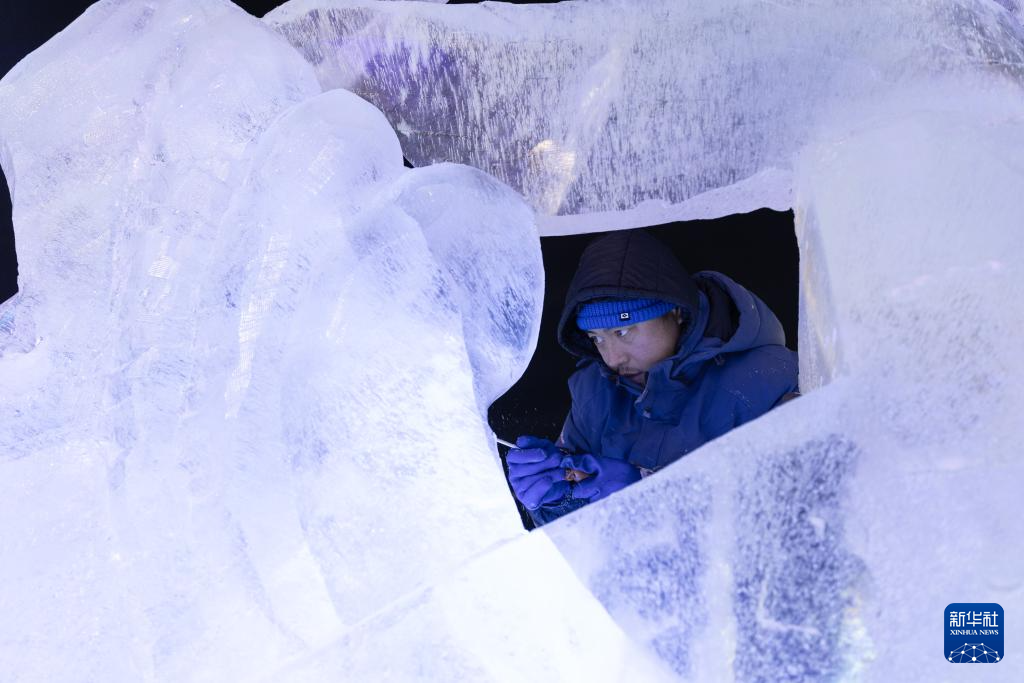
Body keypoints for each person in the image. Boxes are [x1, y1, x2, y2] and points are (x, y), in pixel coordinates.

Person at [507, 229, 798, 526]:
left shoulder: (768, 381)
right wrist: (556, 499)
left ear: (676, 311)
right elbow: (578, 536)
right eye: (597, 339)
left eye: (622, 331)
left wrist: (649, 492)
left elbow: (795, 510)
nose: (612, 358)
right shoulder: (595, 394)